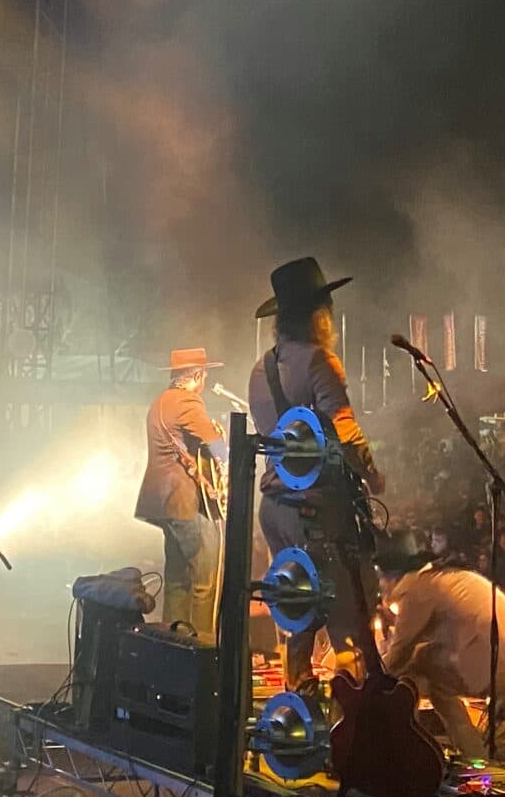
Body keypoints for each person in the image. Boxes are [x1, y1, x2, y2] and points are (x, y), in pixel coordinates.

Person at [247, 257, 383, 688]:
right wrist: (373, 473)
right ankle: (353, 717)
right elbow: (344, 427)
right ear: (317, 315)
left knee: (296, 604)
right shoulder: (320, 361)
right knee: (346, 611)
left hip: (273, 504)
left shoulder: (259, 369)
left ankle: (298, 705)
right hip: (316, 505)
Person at [376, 529, 505, 761]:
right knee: (429, 672)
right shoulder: (439, 579)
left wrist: (368, 685)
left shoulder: (415, 589)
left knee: (416, 667)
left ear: (391, 576)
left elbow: (398, 653)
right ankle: (475, 757)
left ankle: (407, 747)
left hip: (504, 659)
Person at [133, 347, 226, 642]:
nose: (206, 382)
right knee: (204, 579)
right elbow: (216, 446)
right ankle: (202, 646)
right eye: (205, 376)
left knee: (176, 578)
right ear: (196, 375)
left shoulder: (160, 402)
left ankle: (172, 642)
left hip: (163, 502)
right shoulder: (187, 401)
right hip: (185, 502)